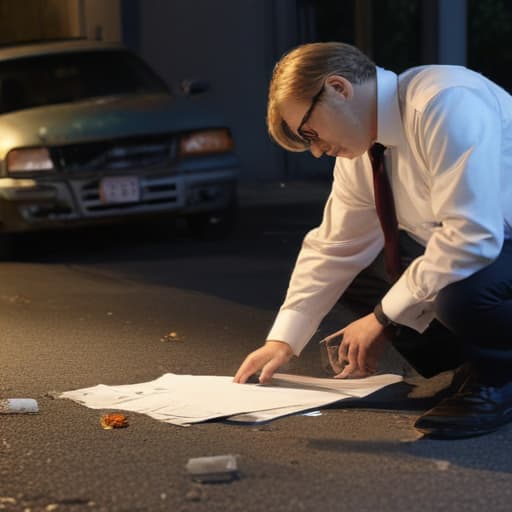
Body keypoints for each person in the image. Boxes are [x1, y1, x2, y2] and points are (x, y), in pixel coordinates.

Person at [233, 42, 512, 439]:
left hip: (495, 244)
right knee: (362, 276)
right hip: (489, 254)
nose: (315, 151)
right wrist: (282, 342)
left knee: (458, 292)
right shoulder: (362, 149)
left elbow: (474, 237)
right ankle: (475, 359)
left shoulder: (444, 101)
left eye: (310, 133)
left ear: (338, 88)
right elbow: (333, 247)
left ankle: (499, 380)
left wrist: (383, 317)